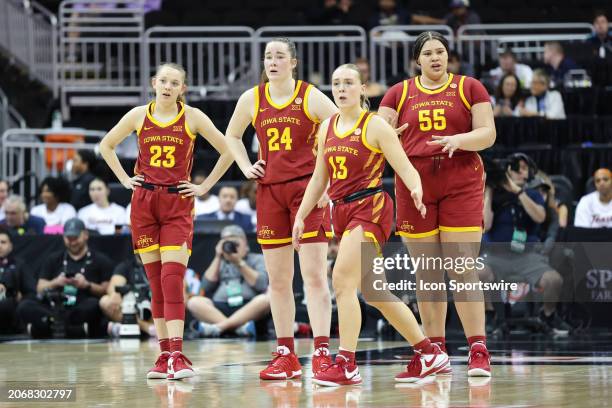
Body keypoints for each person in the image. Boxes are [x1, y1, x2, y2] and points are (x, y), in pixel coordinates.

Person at [292, 63, 449, 386]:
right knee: (376, 292)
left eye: (349, 82)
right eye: (336, 83)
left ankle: (346, 363)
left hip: (370, 208)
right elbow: (319, 178)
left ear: (363, 89)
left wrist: (417, 188)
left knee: (341, 282)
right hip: (341, 211)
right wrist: (301, 214)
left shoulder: (375, 125)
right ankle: (429, 353)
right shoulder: (327, 128)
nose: (341, 88)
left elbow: (404, 167)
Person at [99, 62, 233, 380]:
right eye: (163, 81)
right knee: (156, 283)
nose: (168, 87)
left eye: (175, 83)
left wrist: (204, 187)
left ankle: (177, 354)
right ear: (153, 83)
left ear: (182, 89)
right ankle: (163, 356)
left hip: (177, 202)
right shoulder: (137, 115)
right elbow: (106, 145)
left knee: (172, 279)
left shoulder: (193, 117)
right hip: (143, 202)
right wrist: (124, 178)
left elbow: (227, 151)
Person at [378, 31, 496, 377]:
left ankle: (477, 349)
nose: (435, 57)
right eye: (428, 53)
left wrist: (459, 139)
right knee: (427, 273)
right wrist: (389, 138)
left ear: (448, 56)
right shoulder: (398, 93)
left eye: (440, 51)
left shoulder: (469, 87)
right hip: (414, 183)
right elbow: (377, 136)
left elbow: (487, 133)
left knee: (461, 267)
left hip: (460, 179)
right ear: (418, 60)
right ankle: (435, 352)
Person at [225, 37, 338, 380]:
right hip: (270, 192)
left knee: (315, 277)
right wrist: (246, 166)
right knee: (278, 281)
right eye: (268, 57)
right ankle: (286, 353)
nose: (272, 61)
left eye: (279, 56)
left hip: (307, 190)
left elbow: (342, 130)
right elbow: (232, 136)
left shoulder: (310, 95)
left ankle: (321, 352)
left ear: (293, 62)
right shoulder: (252, 98)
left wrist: (327, 182)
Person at [482, 154, 571, 334]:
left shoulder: (533, 194)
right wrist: (490, 190)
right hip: (496, 255)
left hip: (527, 256)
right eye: (515, 168)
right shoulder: (494, 194)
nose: (519, 171)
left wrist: (518, 192)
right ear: (506, 171)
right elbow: (486, 225)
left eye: (523, 168)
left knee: (554, 280)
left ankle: (548, 315)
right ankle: (489, 314)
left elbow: (539, 216)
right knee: (476, 275)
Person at [16, 218, 113, 338]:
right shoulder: (53, 259)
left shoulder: (100, 260)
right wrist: (56, 282)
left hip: (80, 305)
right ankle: (67, 327)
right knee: (25, 305)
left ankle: (50, 327)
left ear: (85, 235)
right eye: (68, 238)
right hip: (54, 306)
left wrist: (86, 285)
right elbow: (40, 288)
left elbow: (106, 290)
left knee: (94, 305)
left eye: (75, 238)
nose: (72, 242)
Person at [187, 225, 270, 337]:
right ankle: (238, 329)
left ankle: (220, 328)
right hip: (221, 307)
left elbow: (261, 284)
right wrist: (217, 257)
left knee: (266, 300)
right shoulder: (220, 261)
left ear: (245, 243)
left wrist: (239, 262)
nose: (230, 244)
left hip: (248, 308)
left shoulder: (257, 258)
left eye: (235, 240)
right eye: (226, 240)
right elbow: (205, 287)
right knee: (194, 302)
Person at [99, 253, 156, 337]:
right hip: (133, 307)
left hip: (154, 306)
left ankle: (123, 328)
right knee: (105, 301)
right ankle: (146, 328)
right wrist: (115, 294)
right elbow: (115, 285)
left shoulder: (160, 264)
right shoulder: (126, 266)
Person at [0, 229, 36, 333]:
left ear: (10, 246)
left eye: (3, 242)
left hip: (9, 310)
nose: (0, 246)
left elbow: (32, 292)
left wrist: (20, 298)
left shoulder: (19, 265)